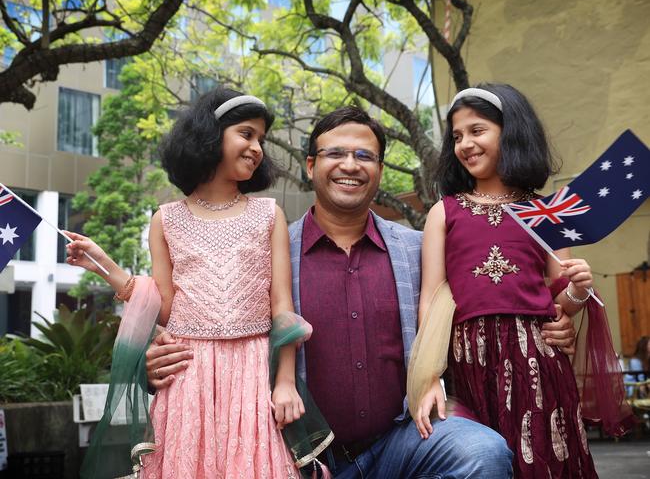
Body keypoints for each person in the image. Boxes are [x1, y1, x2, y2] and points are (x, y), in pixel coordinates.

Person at [145, 105, 579, 478]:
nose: (350, 165)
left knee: (480, 454)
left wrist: (559, 317)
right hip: (297, 451)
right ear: (311, 166)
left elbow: (495, 294)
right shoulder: (266, 246)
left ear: (379, 170)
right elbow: (198, 309)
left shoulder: (417, 249)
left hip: (404, 436)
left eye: (364, 155)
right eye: (335, 153)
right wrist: (156, 359)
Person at [66, 88, 311, 478]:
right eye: (247, 134)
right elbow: (164, 308)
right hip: (187, 376)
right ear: (210, 136)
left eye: (260, 139)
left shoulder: (269, 214)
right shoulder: (166, 219)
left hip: (250, 374)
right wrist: (106, 267)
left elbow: (282, 306)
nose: (257, 148)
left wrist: (284, 381)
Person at [413, 84, 601, 478]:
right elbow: (430, 301)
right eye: (458, 136)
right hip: (469, 366)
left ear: (510, 132)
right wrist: (429, 377)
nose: (465, 143)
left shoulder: (548, 212)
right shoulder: (444, 213)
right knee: (483, 462)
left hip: (537, 362)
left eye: (477, 130)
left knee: (546, 462)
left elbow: (557, 304)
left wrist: (579, 292)